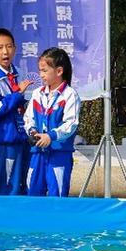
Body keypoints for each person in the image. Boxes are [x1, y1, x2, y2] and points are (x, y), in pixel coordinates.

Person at [0, 27, 33, 195]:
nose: (5, 52)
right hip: (6, 140)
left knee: (22, 184)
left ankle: (20, 220)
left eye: (9, 47)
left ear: (15, 49)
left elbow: (28, 103)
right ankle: (4, 220)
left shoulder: (19, 73)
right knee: (8, 185)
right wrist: (17, 95)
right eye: (0, 47)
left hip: (23, 138)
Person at [23, 47, 80, 197]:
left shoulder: (69, 95)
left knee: (58, 196)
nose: (41, 75)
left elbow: (71, 124)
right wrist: (32, 131)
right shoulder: (37, 94)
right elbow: (28, 118)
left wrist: (51, 136)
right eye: (40, 71)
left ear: (59, 71)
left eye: (44, 71)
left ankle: (58, 220)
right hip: (38, 153)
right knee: (33, 195)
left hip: (59, 154)